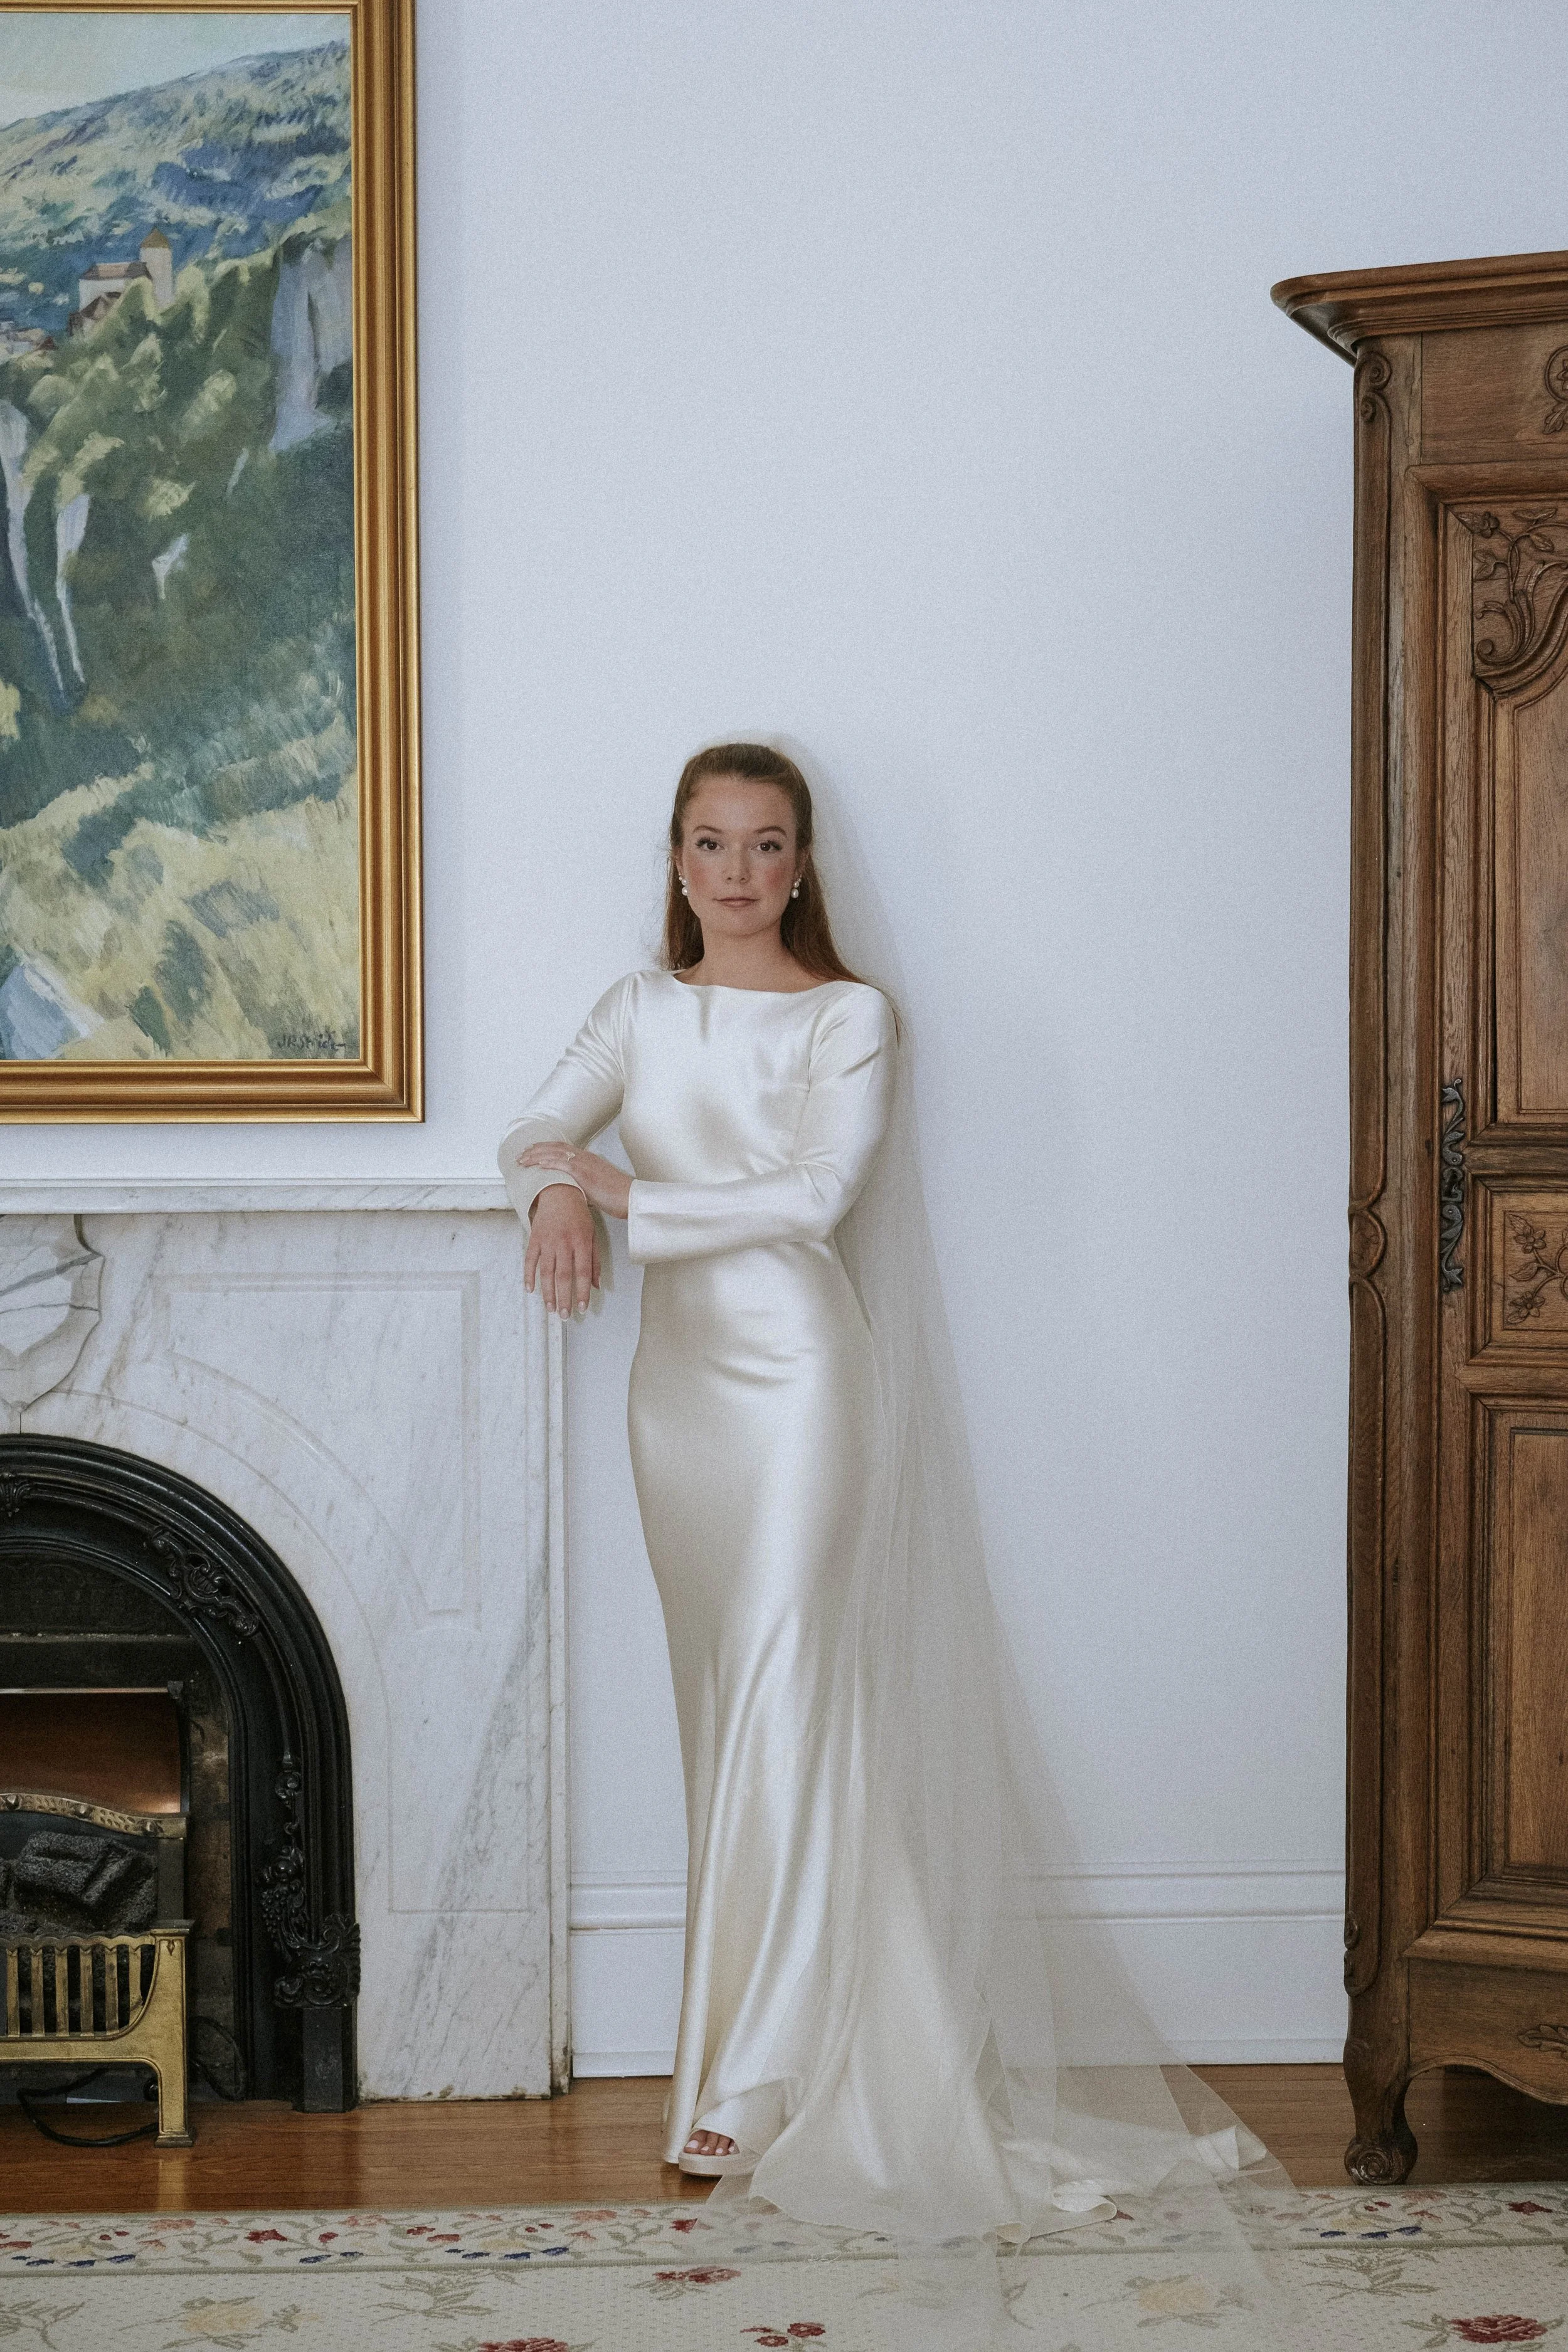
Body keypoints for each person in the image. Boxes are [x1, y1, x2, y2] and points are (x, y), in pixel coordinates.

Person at [499, 743, 1279, 2262]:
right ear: (675, 861)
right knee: (731, 1707)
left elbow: (810, 1198)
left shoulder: (851, 1017)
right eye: (709, 844)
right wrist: (544, 1186)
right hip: (677, 1409)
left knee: (792, 1695)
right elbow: (533, 1125)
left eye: (764, 844)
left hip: (800, 1391)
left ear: (801, 865)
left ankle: (761, 2072)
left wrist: (622, 1200)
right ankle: (772, 2037)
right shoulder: (635, 1008)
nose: (735, 872)